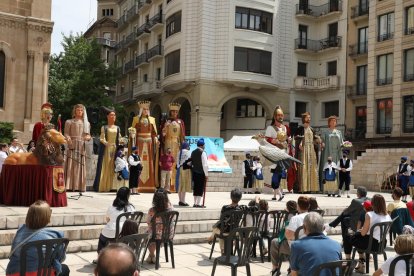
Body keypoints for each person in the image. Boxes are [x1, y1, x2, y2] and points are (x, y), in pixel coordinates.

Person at [6, 200, 70, 276]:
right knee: (65, 269)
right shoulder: (56, 234)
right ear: (47, 216)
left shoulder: (21, 231)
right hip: (44, 273)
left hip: (16, 273)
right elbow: (61, 258)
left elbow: (13, 255)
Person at [343, 194, 391, 273]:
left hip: (370, 244)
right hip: (382, 244)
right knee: (358, 238)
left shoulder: (369, 215)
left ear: (373, 204)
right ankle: (361, 263)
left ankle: (348, 262)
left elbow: (363, 234)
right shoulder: (388, 216)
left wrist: (360, 231)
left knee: (348, 236)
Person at [270, 196, 309, 276]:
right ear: (308, 206)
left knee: (274, 242)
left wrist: (285, 231)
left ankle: (275, 267)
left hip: (295, 247)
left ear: (298, 206)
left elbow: (289, 236)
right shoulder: (313, 216)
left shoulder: (295, 218)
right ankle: (291, 267)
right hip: (309, 245)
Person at [95, 187, 135, 261]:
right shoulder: (131, 208)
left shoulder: (112, 207)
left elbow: (107, 219)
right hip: (125, 232)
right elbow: (132, 220)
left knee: (102, 239)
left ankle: (99, 257)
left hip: (112, 232)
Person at [129, 101, 159, 192]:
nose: (146, 111)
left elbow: (154, 133)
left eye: (147, 109)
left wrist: (156, 140)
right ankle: (137, 186)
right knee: (139, 161)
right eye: (144, 109)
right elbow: (132, 131)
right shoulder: (136, 119)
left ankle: (150, 185)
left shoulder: (152, 119)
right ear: (141, 110)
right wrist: (132, 134)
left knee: (149, 162)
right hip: (140, 142)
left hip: (149, 143)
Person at [207, 188, 246, 253]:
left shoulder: (225, 208)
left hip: (225, 231)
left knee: (217, 228)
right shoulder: (242, 208)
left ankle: (221, 248)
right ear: (240, 198)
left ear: (231, 197)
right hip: (235, 231)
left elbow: (221, 220)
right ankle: (216, 241)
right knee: (219, 227)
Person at [265, 105, 293, 197]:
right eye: (278, 115)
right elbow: (266, 139)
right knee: (277, 173)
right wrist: (273, 140)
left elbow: (287, 138)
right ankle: (279, 193)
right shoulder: (270, 128)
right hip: (274, 153)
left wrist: (289, 140)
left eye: (281, 115)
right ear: (275, 116)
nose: (280, 117)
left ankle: (276, 193)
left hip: (283, 153)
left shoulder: (285, 128)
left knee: (280, 174)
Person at [93, 108, 123, 192]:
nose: (113, 117)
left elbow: (120, 137)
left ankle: (113, 186)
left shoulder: (117, 128)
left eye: (114, 115)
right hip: (107, 149)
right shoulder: (104, 127)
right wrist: (107, 144)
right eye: (111, 115)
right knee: (105, 166)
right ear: (107, 117)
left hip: (115, 149)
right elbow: (102, 138)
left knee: (114, 166)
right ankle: (104, 185)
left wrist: (122, 141)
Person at [64, 104, 91, 192]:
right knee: (71, 164)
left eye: (81, 110)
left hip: (81, 145)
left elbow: (88, 135)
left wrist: (88, 138)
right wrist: (69, 140)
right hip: (73, 143)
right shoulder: (69, 122)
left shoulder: (86, 124)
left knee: (80, 164)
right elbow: (66, 133)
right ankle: (69, 185)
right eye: (78, 110)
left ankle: (79, 186)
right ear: (75, 111)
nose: (80, 112)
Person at [161, 103, 186, 192]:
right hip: (168, 142)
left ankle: (175, 185)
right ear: (170, 112)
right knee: (167, 162)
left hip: (177, 144)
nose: (174, 113)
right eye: (173, 111)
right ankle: (166, 186)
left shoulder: (180, 122)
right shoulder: (167, 121)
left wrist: (183, 145)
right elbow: (163, 134)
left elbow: (182, 135)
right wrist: (165, 126)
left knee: (175, 163)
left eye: (176, 111)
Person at [145, 188, 174, 264]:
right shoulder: (171, 208)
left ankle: (152, 255)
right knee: (155, 233)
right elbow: (173, 220)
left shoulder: (152, 210)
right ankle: (152, 256)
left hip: (155, 234)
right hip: (168, 233)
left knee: (147, 235)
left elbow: (148, 222)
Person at [294, 112, 320, 193]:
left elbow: (315, 139)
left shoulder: (312, 129)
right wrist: (301, 140)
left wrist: (319, 140)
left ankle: (310, 188)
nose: (309, 119)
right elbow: (296, 137)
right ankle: (303, 188)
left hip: (311, 149)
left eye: (309, 117)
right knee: (304, 168)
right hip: (304, 150)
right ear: (304, 119)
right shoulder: (300, 128)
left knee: (312, 168)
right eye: (307, 117)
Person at [319, 115, 343, 191]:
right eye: (331, 121)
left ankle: (337, 188)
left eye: (335, 121)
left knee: (336, 170)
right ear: (329, 123)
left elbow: (342, 142)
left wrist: (345, 144)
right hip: (328, 154)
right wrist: (322, 144)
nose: (333, 122)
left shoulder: (339, 132)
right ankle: (327, 189)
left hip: (336, 154)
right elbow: (321, 141)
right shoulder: (325, 132)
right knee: (328, 171)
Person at [191, 138, 208, 208]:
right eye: (204, 145)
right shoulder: (203, 153)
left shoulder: (193, 152)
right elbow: (205, 165)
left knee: (195, 188)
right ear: (202, 145)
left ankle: (195, 203)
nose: (204, 146)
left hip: (194, 172)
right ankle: (198, 203)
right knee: (200, 188)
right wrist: (206, 174)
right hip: (201, 173)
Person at [176, 142, 192, 206]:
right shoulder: (188, 152)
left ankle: (180, 200)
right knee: (184, 185)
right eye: (188, 146)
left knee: (180, 185)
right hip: (185, 169)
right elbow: (189, 162)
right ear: (187, 146)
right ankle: (183, 201)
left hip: (179, 169)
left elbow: (177, 162)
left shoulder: (179, 152)